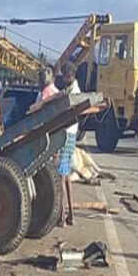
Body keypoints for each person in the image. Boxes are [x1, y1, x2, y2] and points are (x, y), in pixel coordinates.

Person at [57, 63, 80, 227]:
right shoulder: (72, 90)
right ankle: (70, 214)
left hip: (66, 135)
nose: (63, 79)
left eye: (64, 76)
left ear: (68, 76)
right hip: (72, 136)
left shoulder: (73, 93)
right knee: (66, 179)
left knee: (61, 178)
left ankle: (62, 216)